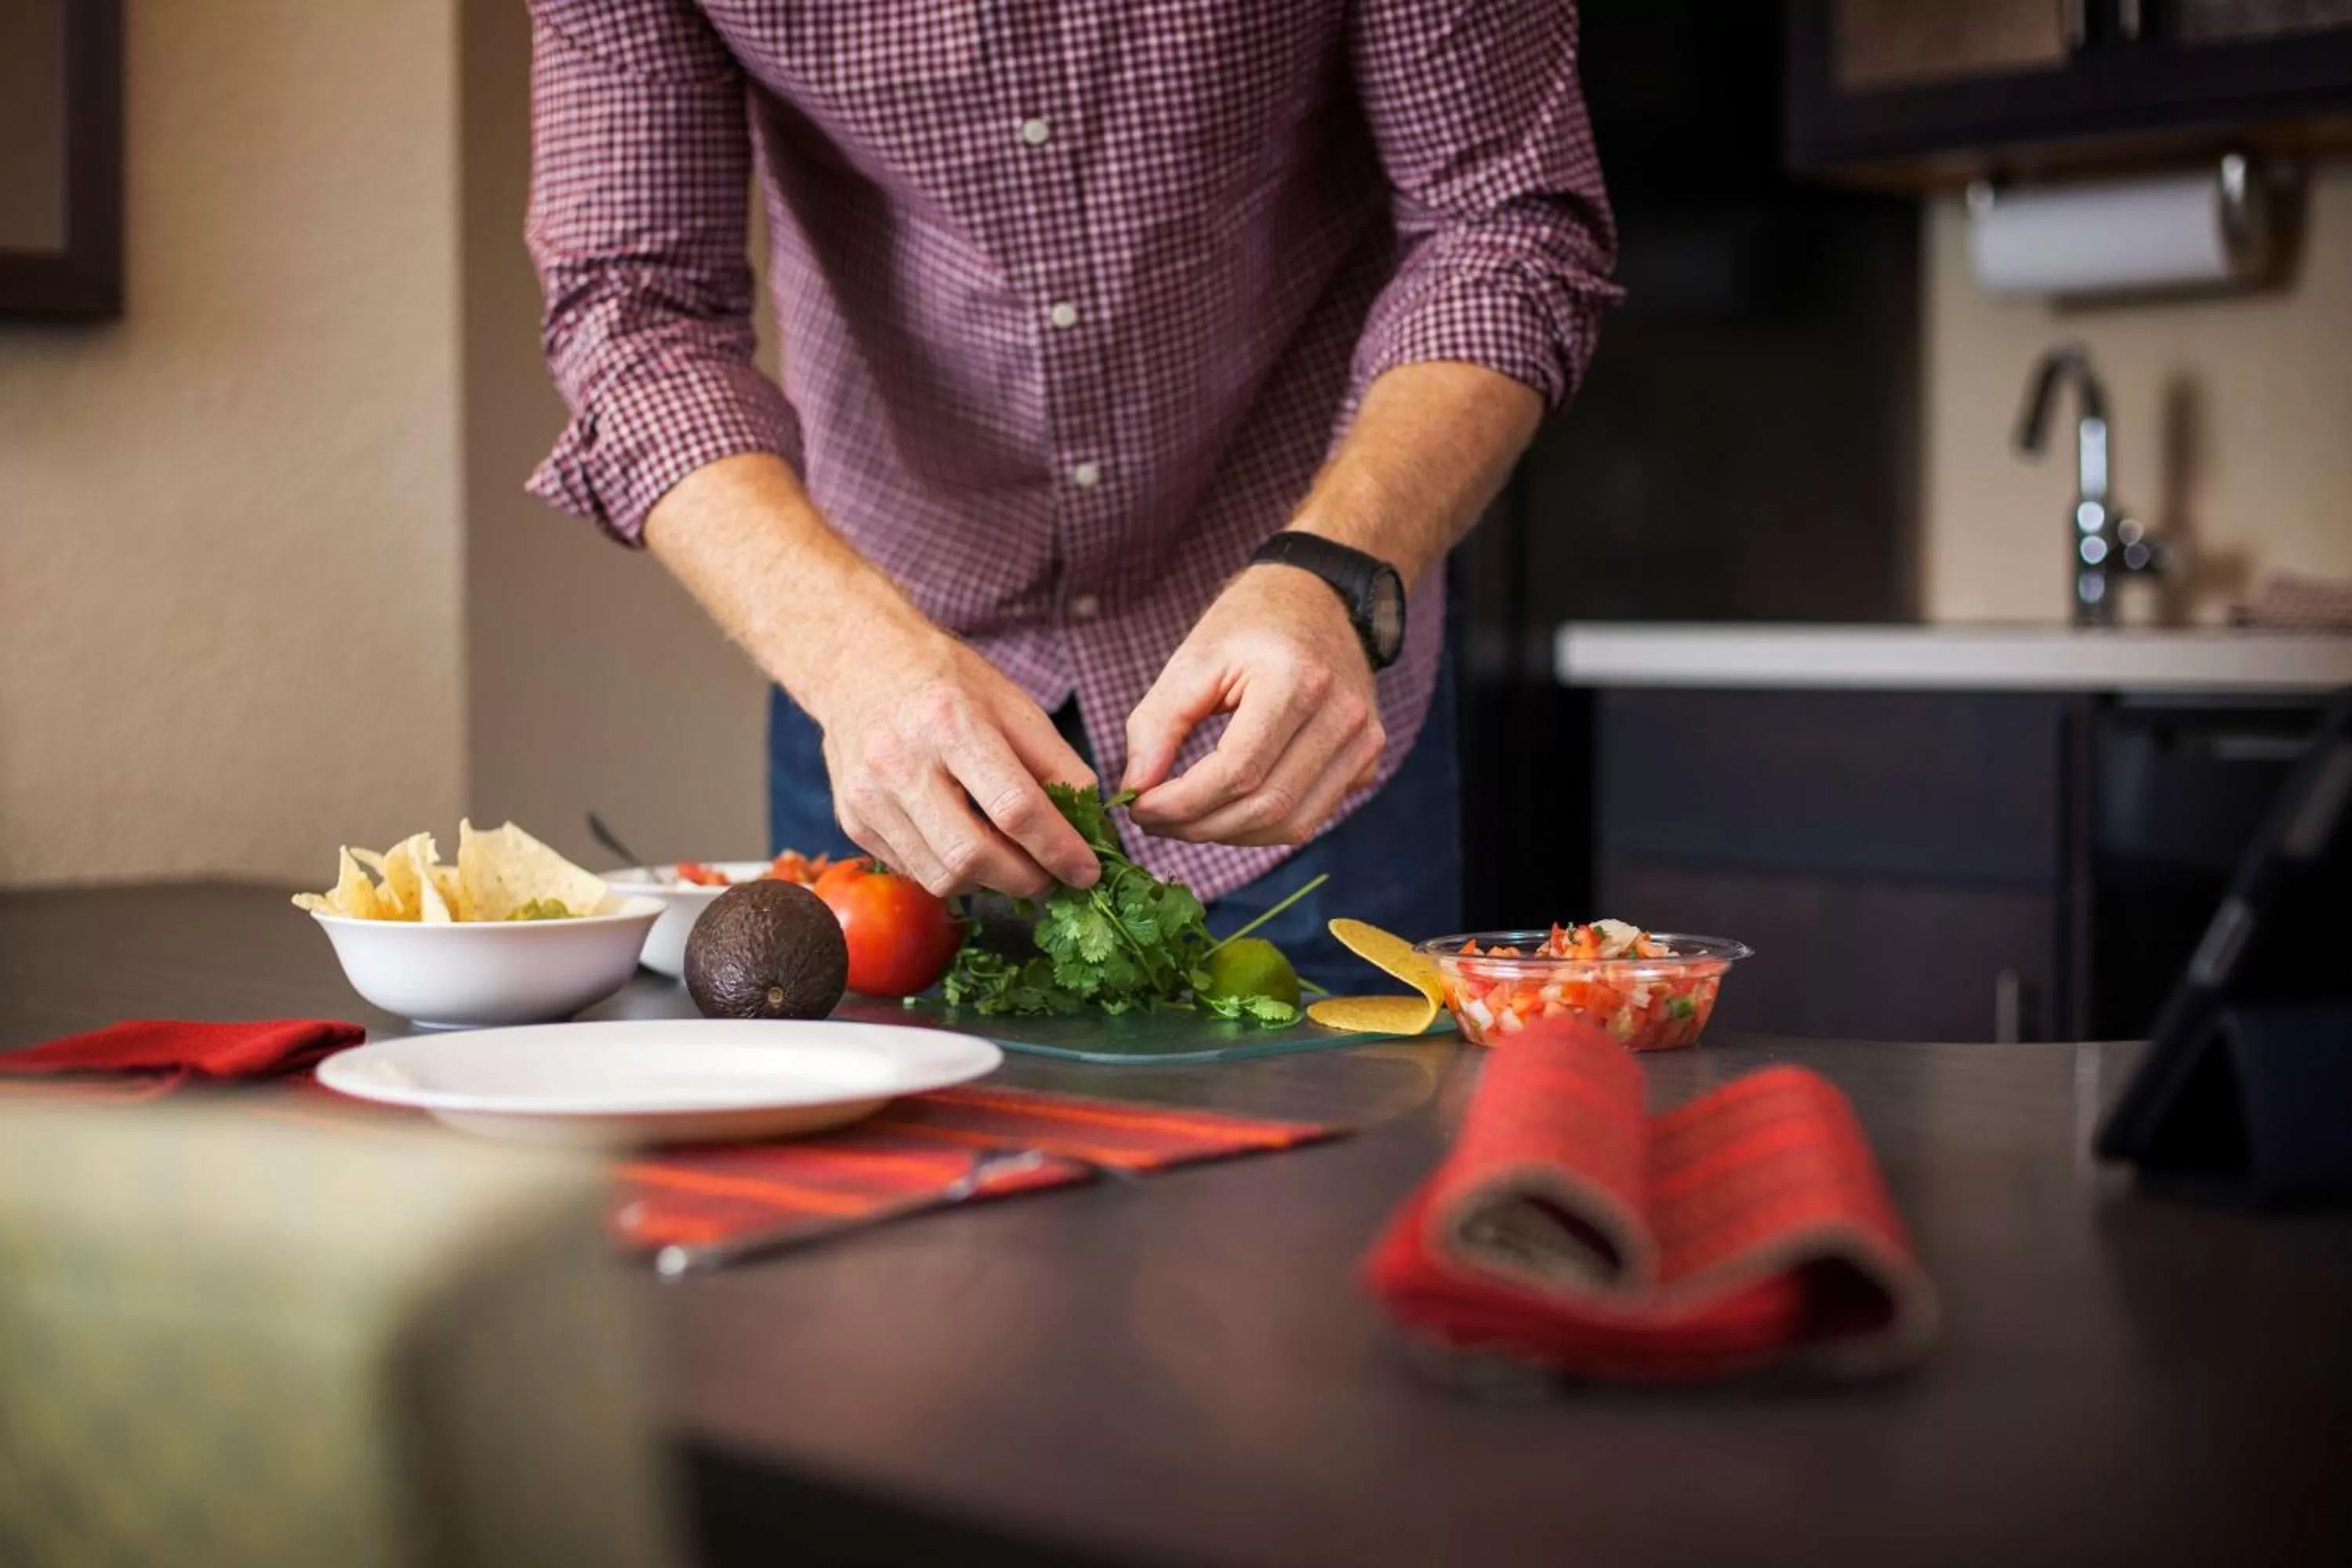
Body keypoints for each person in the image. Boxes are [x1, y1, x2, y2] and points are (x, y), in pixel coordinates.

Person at [524, 0, 1617, 990]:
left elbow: (1506, 225)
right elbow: (636, 308)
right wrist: (853, 662)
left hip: (1301, 682)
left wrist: (1332, 574)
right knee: (884, 1201)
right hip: (885, 691)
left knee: (1338, 1184)